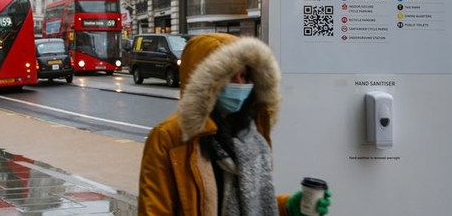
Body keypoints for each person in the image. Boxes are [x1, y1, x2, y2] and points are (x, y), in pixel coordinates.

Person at [137, 33, 332, 216]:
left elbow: (251, 202)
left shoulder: (249, 134)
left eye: (245, 75)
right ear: (205, 81)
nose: (240, 83)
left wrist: (289, 207)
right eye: (230, 75)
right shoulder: (168, 137)